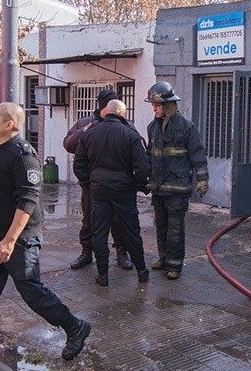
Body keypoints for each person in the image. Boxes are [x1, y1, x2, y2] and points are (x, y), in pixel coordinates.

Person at [0, 102, 91, 371]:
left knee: (32, 292)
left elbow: (28, 200)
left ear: (9, 124)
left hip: (19, 239)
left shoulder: (23, 155)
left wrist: (9, 241)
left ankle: (75, 327)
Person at [73, 99, 151, 286]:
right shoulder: (131, 135)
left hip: (99, 191)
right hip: (124, 190)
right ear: (122, 114)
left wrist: (88, 181)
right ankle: (141, 270)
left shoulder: (89, 134)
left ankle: (103, 275)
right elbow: (142, 166)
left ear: (105, 112)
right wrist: (138, 185)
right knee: (131, 231)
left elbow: (79, 165)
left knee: (99, 233)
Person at [63, 89, 135, 271]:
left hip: (119, 186)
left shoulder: (125, 124)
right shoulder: (85, 123)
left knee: (119, 221)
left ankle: (121, 252)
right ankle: (86, 252)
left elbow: (137, 149)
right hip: (92, 185)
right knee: (89, 220)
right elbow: (69, 145)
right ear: (103, 107)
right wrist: (86, 181)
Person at [145, 81, 209, 280]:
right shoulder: (152, 128)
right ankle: (163, 258)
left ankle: (174, 265)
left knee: (175, 229)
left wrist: (202, 179)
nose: (153, 108)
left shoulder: (186, 127)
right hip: (159, 188)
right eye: (152, 105)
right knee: (161, 226)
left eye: (157, 105)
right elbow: (150, 156)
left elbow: (198, 154)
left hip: (178, 189)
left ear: (168, 105)